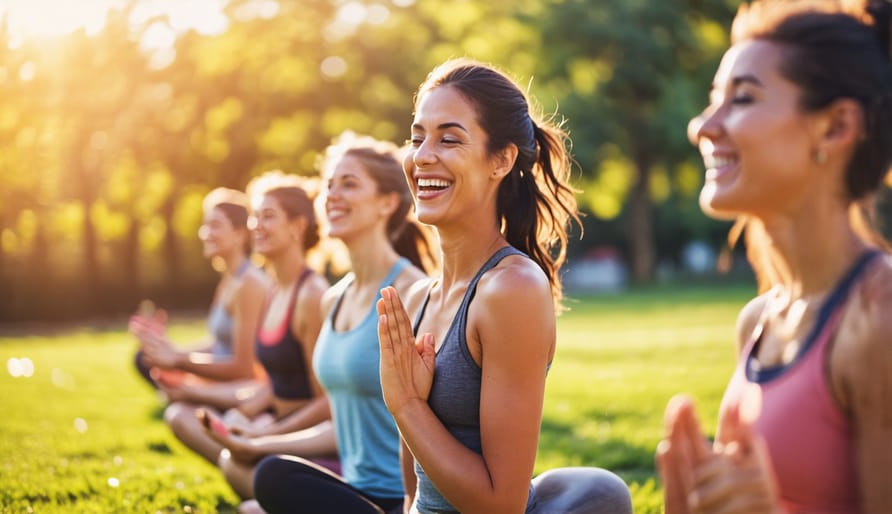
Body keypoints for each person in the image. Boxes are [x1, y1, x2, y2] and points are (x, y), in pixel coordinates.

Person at [657, 1, 892, 512]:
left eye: (741, 99)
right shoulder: (758, 322)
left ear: (834, 128)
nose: (702, 126)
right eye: (713, 99)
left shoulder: (880, 319)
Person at [376, 58, 633, 514]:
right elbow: (414, 491)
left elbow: (503, 506)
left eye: (449, 139)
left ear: (501, 160)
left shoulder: (511, 290)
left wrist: (407, 406)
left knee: (600, 489)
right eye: (417, 138)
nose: (422, 156)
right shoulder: (418, 297)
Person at [251, 132, 437, 514]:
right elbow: (341, 419)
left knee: (268, 480)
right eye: (328, 185)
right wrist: (257, 442)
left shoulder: (413, 292)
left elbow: (435, 418)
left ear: (387, 202)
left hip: (401, 499)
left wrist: (414, 505)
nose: (332, 195)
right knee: (264, 484)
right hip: (353, 489)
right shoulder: (332, 299)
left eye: (348, 184)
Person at [168, 176, 332, 480]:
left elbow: (327, 402)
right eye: (255, 216)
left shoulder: (311, 295)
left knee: (232, 464)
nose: (255, 225)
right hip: (275, 422)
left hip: (308, 438)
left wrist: (266, 436)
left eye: (267, 217)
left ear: (297, 227)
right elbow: (272, 382)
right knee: (188, 421)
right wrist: (241, 417)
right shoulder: (273, 290)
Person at [130, 187, 269, 410]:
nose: (205, 233)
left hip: (242, 389)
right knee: (144, 358)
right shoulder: (229, 280)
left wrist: (180, 361)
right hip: (222, 380)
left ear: (239, 234)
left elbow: (245, 369)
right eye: (205, 225)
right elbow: (220, 344)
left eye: (215, 225)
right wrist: (169, 350)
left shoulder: (249, 284)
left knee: (178, 414)